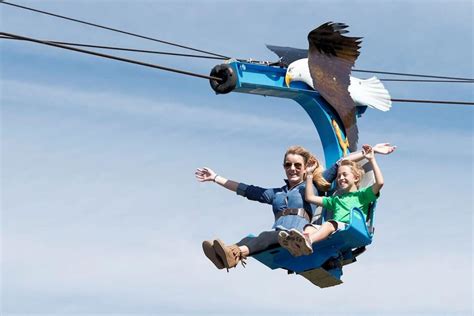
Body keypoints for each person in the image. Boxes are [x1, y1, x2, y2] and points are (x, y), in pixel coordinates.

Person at [196, 143, 395, 270]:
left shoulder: (314, 184)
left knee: (266, 237)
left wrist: (372, 152)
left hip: (296, 234)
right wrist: (216, 178)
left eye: (297, 165)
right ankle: (228, 256)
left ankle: (234, 253)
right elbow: (247, 189)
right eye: (288, 165)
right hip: (280, 235)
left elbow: (340, 163)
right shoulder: (276, 194)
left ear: (304, 167)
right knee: (256, 238)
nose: (292, 169)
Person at [278, 144, 385, 256]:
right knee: (309, 228)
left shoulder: (362, 196)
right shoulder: (335, 200)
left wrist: (371, 159)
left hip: (351, 227)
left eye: (344, 175)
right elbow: (309, 197)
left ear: (356, 178)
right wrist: (309, 174)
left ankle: (307, 241)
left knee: (329, 225)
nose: (341, 178)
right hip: (335, 230)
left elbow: (380, 183)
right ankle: (296, 246)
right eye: (338, 176)